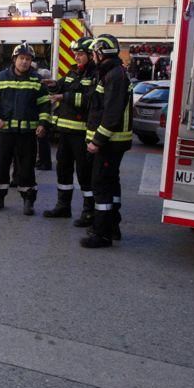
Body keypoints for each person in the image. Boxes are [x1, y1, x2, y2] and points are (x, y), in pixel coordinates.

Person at [0, 44, 51, 214]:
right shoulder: (0, 77)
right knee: (2, 165)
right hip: (5, 132)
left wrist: (43, 124)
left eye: (28, 59)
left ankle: (28, 201)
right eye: (21, 58)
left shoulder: (36, 80)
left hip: (27, 134)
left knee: (27, 168)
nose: (24, 62)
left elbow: (44, 105)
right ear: (14, 59)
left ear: (31, 62)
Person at [81, 34, 134, 248]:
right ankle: (112, 226)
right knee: (111, 183)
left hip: (109, 143)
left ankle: (101, 233)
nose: (93, 56)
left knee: (101, 185)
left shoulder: (114, 75)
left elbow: (111, 114)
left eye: (94, 53)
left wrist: (97, 141)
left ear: (100, 53)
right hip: (113, 142)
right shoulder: (113, 73)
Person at [43, 38, 96, 223]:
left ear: (91, 55)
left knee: (84, 173)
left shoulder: (96, 75)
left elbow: (91, 100)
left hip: (82, 134)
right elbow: (63, 85)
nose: (77, 57)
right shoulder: (73, 71)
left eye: (80, 54)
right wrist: (53, 85)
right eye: (76, 54)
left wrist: (63, 96)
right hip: (65, 133)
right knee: (63, 170)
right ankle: (63, 206)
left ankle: (89, 212)